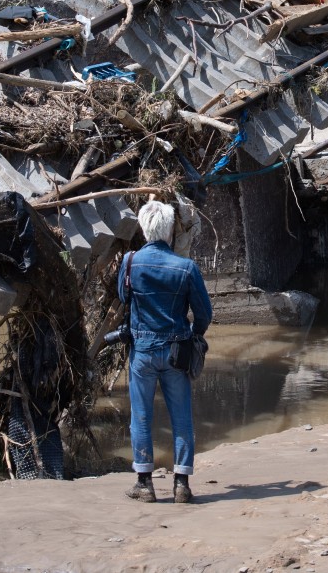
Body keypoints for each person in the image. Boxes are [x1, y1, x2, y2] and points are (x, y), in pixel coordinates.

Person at [119, 199, 213, 503]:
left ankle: (144, 484)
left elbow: (123, 296)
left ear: (144, 228)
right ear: (170, 229)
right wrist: (193, 336)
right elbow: (204, 315)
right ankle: (182, 484)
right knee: (182, 417)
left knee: (141, 417)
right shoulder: (186, 268)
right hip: (176, 351)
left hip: (142, 352)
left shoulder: (130, 262)